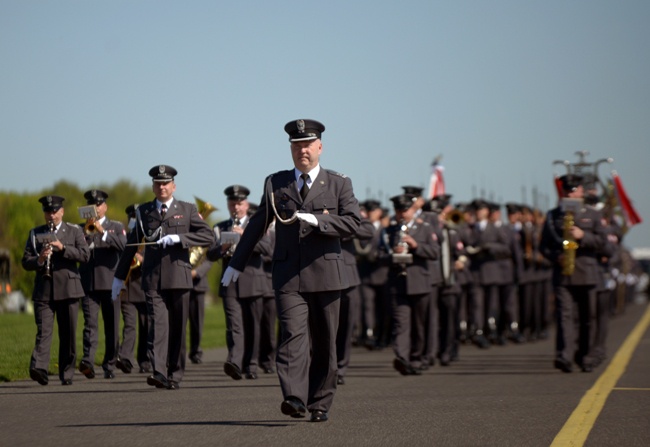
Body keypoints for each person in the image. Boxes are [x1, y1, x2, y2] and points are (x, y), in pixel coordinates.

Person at [222, 119, 361, 422]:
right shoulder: (276, 183)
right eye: (296, 145)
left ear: (320, 147)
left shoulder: (338, 183)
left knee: (325, 343)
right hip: (289, 275)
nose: (302, 150)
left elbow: (354, 223)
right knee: (293, 335)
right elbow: (258, 225)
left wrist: (319, 222)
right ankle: (295, 397)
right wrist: (236, 262)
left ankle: (320, 402)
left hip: (326, 273)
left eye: (308, 144)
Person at [112, 165, 215, 390]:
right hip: (153, 278)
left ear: (173, 186)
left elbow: (207, 235)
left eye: (166, 183)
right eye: (158, 183)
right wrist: (119, 277)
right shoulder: (143, 211)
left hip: (179, 277)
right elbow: (131, 244)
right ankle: (159, 371)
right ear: (153, 186)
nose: (162, 187)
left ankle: (175, 373)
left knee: (178, 328)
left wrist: (180, 240)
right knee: (158, 326)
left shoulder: (187, 209)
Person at [540, 174, 606, 373]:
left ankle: (585, 356)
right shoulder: (553, 215)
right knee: (564, 316)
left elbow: (603, 243)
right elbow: (543, 246)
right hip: (563, 273)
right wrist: (555, 257)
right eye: (567, 190)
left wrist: (583, 236)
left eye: (574, 189)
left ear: (581, 191)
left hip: (586, 272)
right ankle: (564, 356)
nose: (570, 193)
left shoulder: (593, 215)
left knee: (588, 317)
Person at [22, 195, 90, 385]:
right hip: (44, 290)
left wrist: (63, 248)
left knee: (68, 334)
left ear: (62, 211)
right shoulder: (35, 233)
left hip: (69, 290)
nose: (51, 215)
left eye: (54, 211)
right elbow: (25, 261)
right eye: (47, 212)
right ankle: (39, 368)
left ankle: (66, 373)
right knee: (43, 331)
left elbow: (85, 255)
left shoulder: (74, 231)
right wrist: (40, 260)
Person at [207, 185, 271, 380]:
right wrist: (222, 247)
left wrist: (245, 236)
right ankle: (234, 361)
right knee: (234, 325)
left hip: (253, 281)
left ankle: (251, 365)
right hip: (230, 283)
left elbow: (268, 248)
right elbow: (209, 254)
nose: (236, 207)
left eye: (239, 203)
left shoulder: (258, 224)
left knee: (253, 326)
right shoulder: (220, 227)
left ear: (246, 205)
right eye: (232, 203)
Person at [380, 193, 439, 375]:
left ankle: (417, 358)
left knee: (419, 324)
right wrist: (392, 254)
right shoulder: (389, 230)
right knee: (401, 323)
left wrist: (416, 246)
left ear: (412, 210)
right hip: (398, 283)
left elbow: (435, 252)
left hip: (420, 282)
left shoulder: (425, 228)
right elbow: (380, 256)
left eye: (405, 210)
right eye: (398, 210)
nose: (402, 214)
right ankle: (402, 358)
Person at [78, 189, 127, 379]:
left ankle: (109, 364)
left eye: (99, 204)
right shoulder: (80, 228)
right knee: (90, 325)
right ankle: (88, 362)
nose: (96, 208)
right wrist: (84, 232)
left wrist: (102, 231)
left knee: (112, 326)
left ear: (105, 206)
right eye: (92, 205)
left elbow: (123, 246)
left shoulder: (116, 226)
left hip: (110, 283)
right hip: (89, 283)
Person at [116, 204, 151, 374]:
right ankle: (125, 358)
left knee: (146, 326)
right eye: (132, 217)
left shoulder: (150, 235)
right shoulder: (124, 236)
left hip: (144, 287)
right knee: (129, 325)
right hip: (128, 288)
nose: (134, 220)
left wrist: (142, 259)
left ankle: (144, 361)